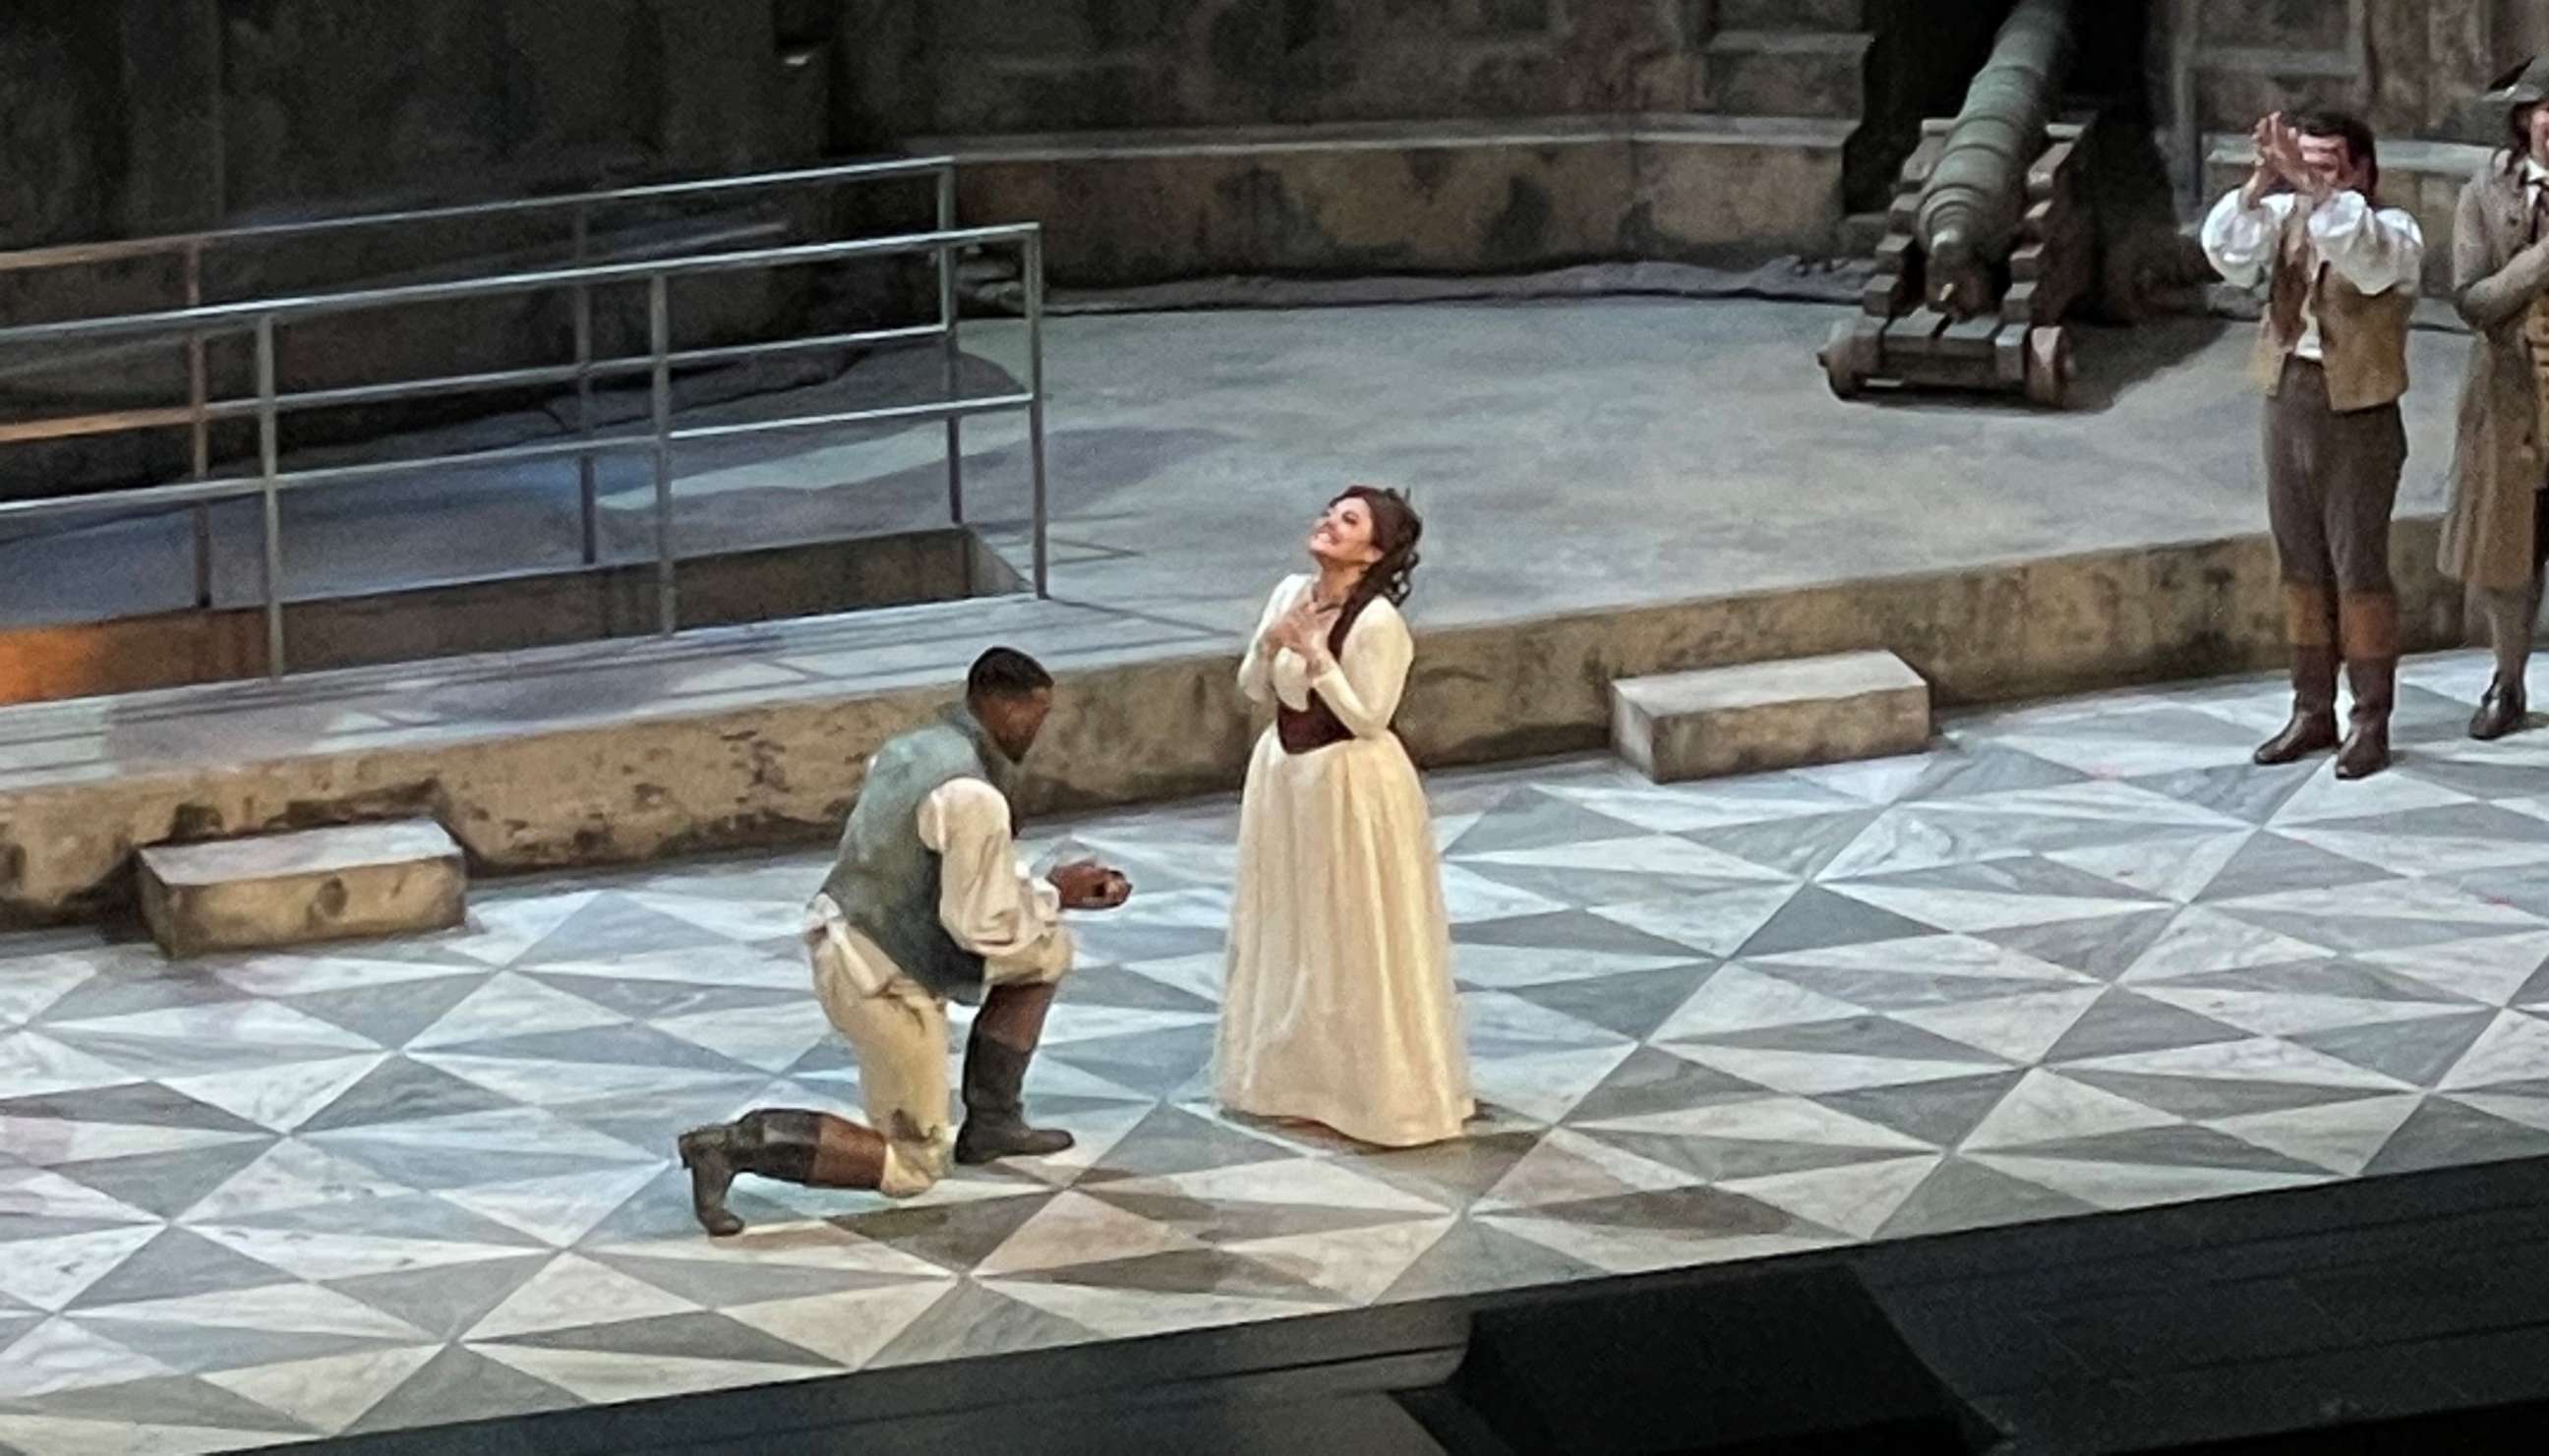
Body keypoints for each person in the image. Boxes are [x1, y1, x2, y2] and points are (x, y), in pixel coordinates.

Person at [676, 647, 1129, 1236]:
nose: (1038, 730)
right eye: (1035, 715)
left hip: (856, 932)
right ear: (1002, 707)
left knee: (1046, 952)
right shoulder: (974, 796)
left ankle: (993, 1121)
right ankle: (730, 1145)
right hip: (879, 974)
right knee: (913, 1163)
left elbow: (941, 873)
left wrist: (1041, 894)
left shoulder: (914, 748)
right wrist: (1054, 894)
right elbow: (981, 925)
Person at [1216, 486, 1472, 1147]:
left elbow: (1367, 717)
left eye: (1349, 519)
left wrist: (1319, 656)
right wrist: (1272, 645)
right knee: (1294, 923)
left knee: (1355, 926)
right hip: (1285, 777)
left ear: (1375, 552)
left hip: (1352, 783)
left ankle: (1374, 1090)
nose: (1330, 521)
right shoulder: (1288, 593)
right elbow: (1252, 686)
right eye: (1331, 511)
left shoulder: (1380, 623)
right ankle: (1295, 1078)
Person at [2202, 107, 2425, 779]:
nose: (2307, 178)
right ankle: (2311, 707)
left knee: (2357, 568)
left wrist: (2319, 191)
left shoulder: (2391, 231)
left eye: (2325, 165)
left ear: (2360, 168)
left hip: (2357, 409)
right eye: (2303, 162)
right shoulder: (2288, 219)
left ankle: (2370, 717)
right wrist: (2258, 183)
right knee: (2300, 564)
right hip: (2288, 399)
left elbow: (2368, 263)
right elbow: (2228, 254)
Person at [2442, 57, 2549, 740]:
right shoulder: (2484, 192)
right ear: (2526, 118)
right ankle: (2507, 682)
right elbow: (2473, 299)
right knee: (2507, 552)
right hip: (2511, 398)